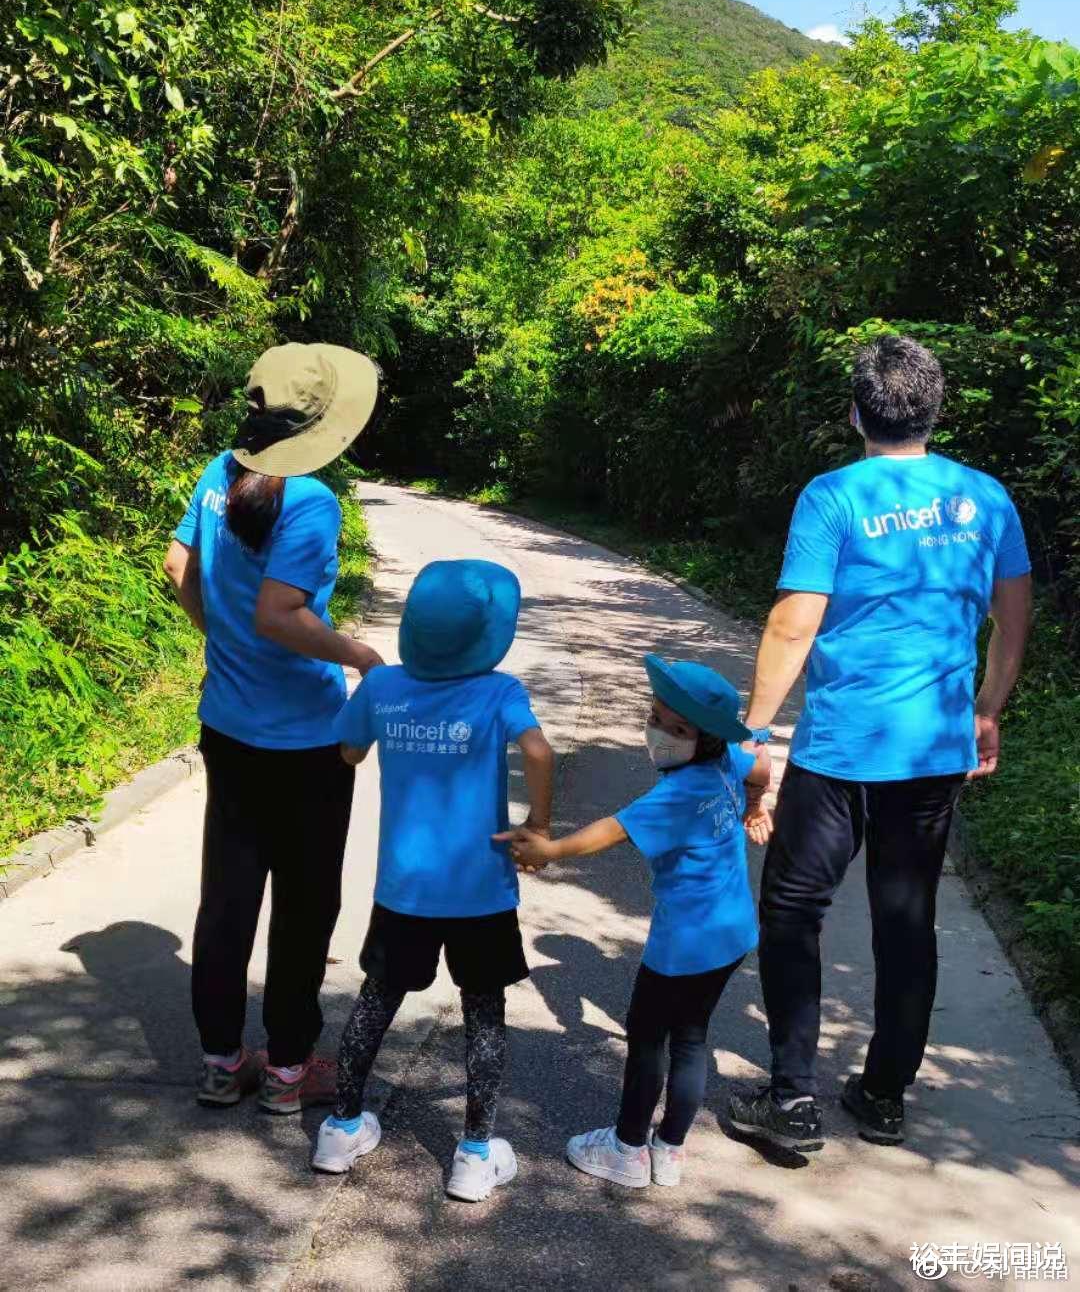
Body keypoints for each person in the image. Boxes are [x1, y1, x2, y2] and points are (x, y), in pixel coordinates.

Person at [728, 333, 1032, 1155]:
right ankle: (884, 1095)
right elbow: (1013, 615)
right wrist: (989, 708)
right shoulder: (985, 497)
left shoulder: (833, 495)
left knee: (794, 909)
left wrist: (755, 730)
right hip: (933, 750)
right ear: (934, 409)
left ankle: (792, 1100)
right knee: (907, 920)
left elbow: (794, 622)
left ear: (857, 412)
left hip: (840, 748)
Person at [164, 341, 384, 1114]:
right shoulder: (312, 500)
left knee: (226, 898)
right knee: (304, 905)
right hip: (307, 741)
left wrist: (217, 638)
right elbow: (280, 614)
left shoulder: (218, 474)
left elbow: (177, 567)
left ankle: (222, 1062)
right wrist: (360, 654)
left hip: (228, 725)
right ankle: (289, 1070)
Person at [313, 558, 555, 1203]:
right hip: (480, 887)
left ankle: (340, 1129)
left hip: (405, 885)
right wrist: (538, 826)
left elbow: (348, 752)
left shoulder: (384, 686)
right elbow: (538, 751)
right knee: (484, 1011)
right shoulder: (500, 692)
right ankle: (474, 1154)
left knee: (377, 1000)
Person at [501, 655, 771, 1190]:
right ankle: (669, 1150)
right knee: (691, 1038)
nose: (659, 733)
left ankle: (626, 1148)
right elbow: (759, 764)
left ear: (707, 739)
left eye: (678, 729)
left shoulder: (678, 793)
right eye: (655, 718)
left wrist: (551, 850)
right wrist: (756, 804)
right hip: (734, 931)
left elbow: (613, 829)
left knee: (648, 1039)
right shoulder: (724, 763)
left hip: (683, 942)